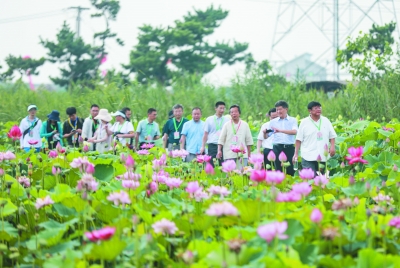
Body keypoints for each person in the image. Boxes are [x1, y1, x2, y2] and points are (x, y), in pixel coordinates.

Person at [294, 101, 337, 175]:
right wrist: (296, 154)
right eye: (316, 108)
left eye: (319, 107)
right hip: (308, 156)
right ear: (309, 111)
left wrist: (332, 146)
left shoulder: (326, 121)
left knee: (321, 180)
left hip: (323, 156)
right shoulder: (304, 122)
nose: (319, 109)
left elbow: (332, 135)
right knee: (311, 179)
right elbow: (298, 140)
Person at [268, 100, 298, 176]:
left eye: (280, 109)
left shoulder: (293, 120)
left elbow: (295, 131)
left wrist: (280, 130)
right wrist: (265, 133)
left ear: (286, 109)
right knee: (278, 170)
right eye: (277, 109)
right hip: (277, 148)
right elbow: (267, 135)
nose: (278, 111)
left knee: (290, 170)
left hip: (289, 148)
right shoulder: (273, 122)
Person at [200, 101, 228, 166]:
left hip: (223, 145)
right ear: (215, 108)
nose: (222, 110)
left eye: (223, 108)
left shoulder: (227, 120)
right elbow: (205, 134)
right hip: (212, 145)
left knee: (223, 165)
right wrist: (203, 146)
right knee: (211, 164)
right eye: (220, 108)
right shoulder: (209, 119)